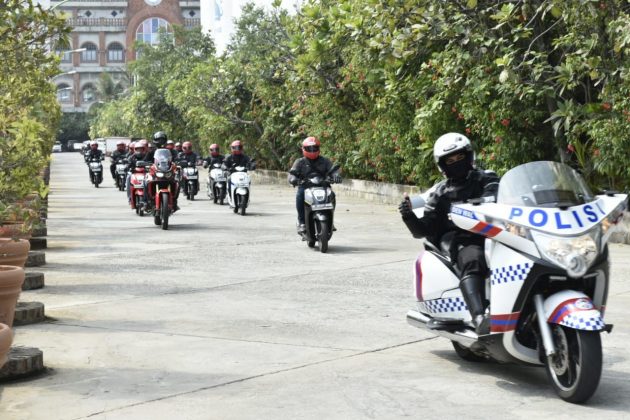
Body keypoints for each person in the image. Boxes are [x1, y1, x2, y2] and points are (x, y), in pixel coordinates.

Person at [398, 132, 499, 334]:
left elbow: (499, 193)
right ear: (442, 165)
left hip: (497, 234)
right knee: (473, 259)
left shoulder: (487, 178)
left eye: (460, 157)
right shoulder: (440, 193)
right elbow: (425, 229)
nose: (456, 163)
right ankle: (479, 317)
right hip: (464, 240)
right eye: (450, 161)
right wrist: (409, 216)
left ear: (469, 156)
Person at [288, 137, 341, 234]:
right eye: (309, 148)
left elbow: (333, 170)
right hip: (305, 186)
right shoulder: (299, 162)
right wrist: (293, 179)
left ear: (318, 148)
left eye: (314, 148)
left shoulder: (325, 161)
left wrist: (336, 175)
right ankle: (302, 222)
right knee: (300, 195)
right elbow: (292, 174)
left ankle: (330, 219)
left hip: (323, 186)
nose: (312, 151)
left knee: (331, 195)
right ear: (303, 149)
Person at [126, 140, 149, 204]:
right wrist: (128, 167)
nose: (139, 151)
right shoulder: (131, 157)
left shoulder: (147, 156)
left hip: (145, 173)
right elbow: (128, 164)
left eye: (141, 149)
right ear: (135, 150)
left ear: (143, 149)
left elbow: (152, 163)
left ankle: (150, 197)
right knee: (128, 178)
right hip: (134, 173)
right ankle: (130, 197)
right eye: (138, 149)